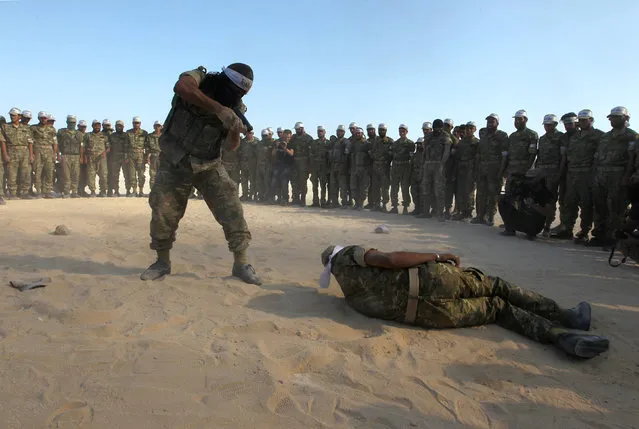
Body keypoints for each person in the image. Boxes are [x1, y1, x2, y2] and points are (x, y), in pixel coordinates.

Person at [319, 245, 609, 359]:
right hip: (433, 281)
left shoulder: (353, 299)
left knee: (496, 308)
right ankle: (568, 317)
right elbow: (390, 260)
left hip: (428, 314)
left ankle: (563, 337)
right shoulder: (347, 256)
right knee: (496, 286)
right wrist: (435, 256)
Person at [141, 63, 261, 285]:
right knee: (163, 212)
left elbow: (230, 146)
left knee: (232, 209)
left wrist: (234, 129)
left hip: (209, 165)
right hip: (175, 161)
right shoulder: (199, 79)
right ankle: (162, 262)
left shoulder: (236, 109)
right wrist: (218, 109)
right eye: (235, 92)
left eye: (242, 94)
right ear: (225, 82)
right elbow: (181, 87)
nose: (237, 97)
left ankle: (241, 263)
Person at [498, 169, 555, 239]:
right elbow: (512, 199)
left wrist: (534, 205)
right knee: (503, 200)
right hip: (522, 219)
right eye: (527, 178)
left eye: (531, 179)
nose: (528, 181)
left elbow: (550, 213)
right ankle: (509, 229)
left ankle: (531, 234)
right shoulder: (524, 188)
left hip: (535, 224)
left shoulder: (545, 193)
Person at [270, 129, 294, 204]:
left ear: (290, 137)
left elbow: (291, 154)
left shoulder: (291, 143)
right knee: (274, 182)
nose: (287, 138)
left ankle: (285, 199)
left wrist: (285, 148)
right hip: (278, 165)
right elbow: (273, 154)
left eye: (288, 137)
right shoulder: (278, 142)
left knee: (284, 182)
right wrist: (276, 147)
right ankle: (274, 198)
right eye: (285, 137)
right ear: (283, 136)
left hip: (287, 165)